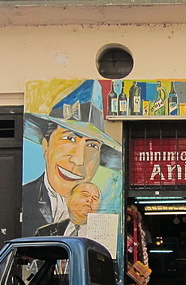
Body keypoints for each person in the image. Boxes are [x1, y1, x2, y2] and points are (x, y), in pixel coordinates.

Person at [22, 83, 121, 235]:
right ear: (46, 144)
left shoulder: (103, 210)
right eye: (69, 138)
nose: (79, 160)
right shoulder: (26, 196)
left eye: (92, 146)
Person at [36, 182, 101, 237]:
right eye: (85, 195)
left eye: (95, 198)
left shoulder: (101, 234)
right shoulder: (44, 232)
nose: (90, 200)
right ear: (69, 198)